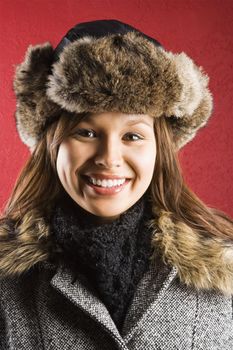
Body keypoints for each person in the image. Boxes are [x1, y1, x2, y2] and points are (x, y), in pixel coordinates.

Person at [1, 19, 233, 350]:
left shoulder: (223, 273)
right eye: (86, 132)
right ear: (51, 145)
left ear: (159, 149)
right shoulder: (7, 282)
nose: (109, 158)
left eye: (132, 136)